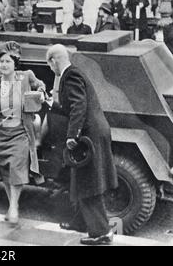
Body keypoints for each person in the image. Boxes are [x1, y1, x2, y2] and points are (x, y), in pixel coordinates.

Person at [46, 44, 118, 246]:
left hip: (88, 135)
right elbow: (73, 106)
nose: (51, 70)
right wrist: (51, 104)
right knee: (78, 179)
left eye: (49, 65)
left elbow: (79, 105)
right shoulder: (75, 74)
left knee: (88, 183)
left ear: (54, 60)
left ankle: (101, 233)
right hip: (93, 132)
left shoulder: (71, 76)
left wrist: (72, 135)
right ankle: (81, 223)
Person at [0, 41, 46, 225]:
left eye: (8, 62)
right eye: (2, 62)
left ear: (15, 63)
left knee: (16, 168)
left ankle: (13, 207)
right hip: (0, 134)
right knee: (5, 171)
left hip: (20, 132)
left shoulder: (26, 77)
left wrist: (41, 92)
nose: (4, 65)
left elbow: (40, 84)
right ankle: (12, 204)